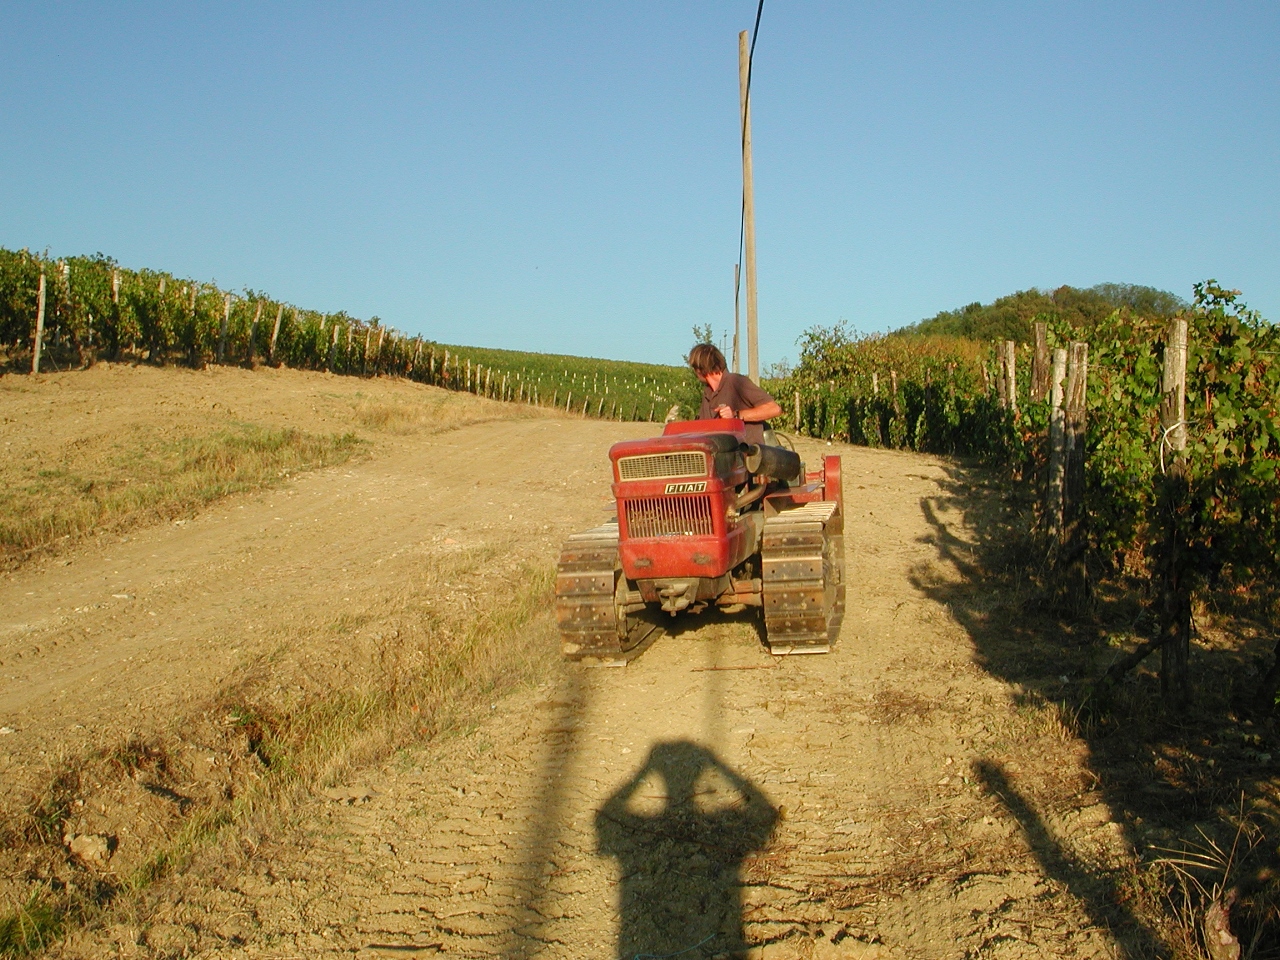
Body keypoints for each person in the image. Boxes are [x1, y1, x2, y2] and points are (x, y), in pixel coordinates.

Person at [688, 343, 782, 446]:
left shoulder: (736, 382)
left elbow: (774, 409)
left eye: (694, 368)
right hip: (719, 455)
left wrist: (736, 415)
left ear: (700, 368)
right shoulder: (708, 393)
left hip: (748, 454)